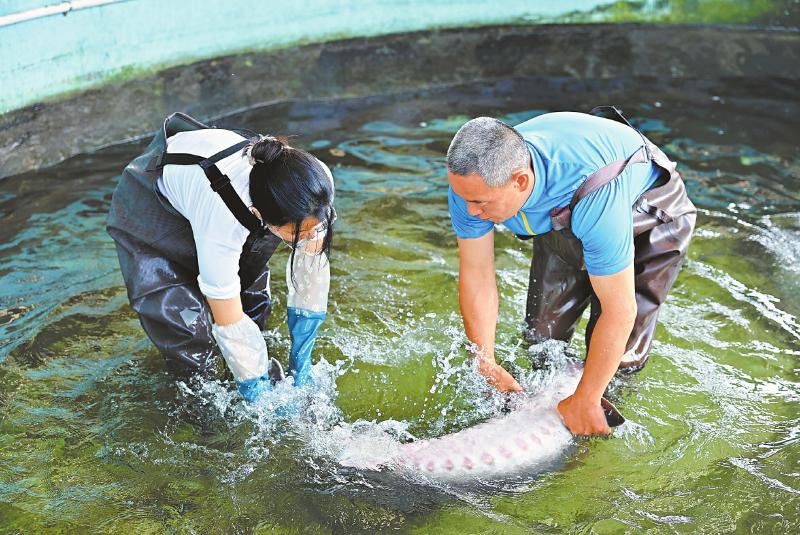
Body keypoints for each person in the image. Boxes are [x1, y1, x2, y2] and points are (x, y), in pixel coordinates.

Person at [446, 107, 696, 436]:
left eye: (480, 203)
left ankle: (590, 424)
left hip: (649, 219)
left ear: (520, 181)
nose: (469, 211)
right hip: (566, 213)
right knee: (542, 340)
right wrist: (485, 360)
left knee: (616, 366)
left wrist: (587, 398)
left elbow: (620, 311)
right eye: (464, 198)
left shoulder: (597, 199)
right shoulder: (472, 185)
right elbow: (477, 272)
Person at [107, 112, 335, 401]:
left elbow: (310, 273)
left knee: (254, 309)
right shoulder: (223, 215)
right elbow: (228, 317)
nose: (310, 236)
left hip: (224, 207)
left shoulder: (313, 186)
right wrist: (257, 396)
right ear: (259, 214)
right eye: (298, 233)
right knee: (191, 341)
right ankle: (200, 412)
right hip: (153, 218)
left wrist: (301, 362)